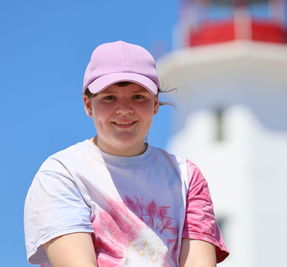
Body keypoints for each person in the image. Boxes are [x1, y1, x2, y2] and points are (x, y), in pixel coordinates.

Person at [24, 40, 229, 267]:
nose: (124, 109)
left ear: (155, 105)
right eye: (109, 97)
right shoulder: (62, 173)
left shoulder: (186, 177)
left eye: (138, 97)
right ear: (88, 105)